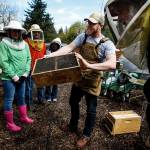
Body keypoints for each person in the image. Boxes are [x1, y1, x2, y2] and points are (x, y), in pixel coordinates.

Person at [45, 12, 117, 148]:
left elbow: (112, 64)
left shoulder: (107, 44)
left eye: (92, 23)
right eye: (88, 22)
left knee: (91, 110)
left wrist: (89, 65)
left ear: (100, 25)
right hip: (79, 78)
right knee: (73, 102)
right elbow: (68, 47)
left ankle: (86, 135)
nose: (88, 25)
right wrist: (50, 56)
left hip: (92, 82)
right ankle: (73, 125)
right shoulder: (83, 37)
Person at [0, 20, 33, 132]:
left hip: (22, 77)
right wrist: (14, 76)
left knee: (21, 97)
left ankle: (23, 117)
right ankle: (10, 123)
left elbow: (29, 59)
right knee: (9, 99)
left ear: (20, 32)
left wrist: (25, 74)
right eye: (13, 30)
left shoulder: (25, 44)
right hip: (9, 78)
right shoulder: (3, 44)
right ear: (9, 31)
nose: (15, 32)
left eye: (17, 31)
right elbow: (3, 62)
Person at [25, 24, 46, 107]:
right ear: (31, 33)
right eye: (35, 32)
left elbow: (43, 54)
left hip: (40, 67)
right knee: (29, 87)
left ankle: (41, 100)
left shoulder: (43, 43)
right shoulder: (26, 42)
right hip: (30, 67)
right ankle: (29, 104)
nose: (36, 34)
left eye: (38, 32)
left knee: (41, 85)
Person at [45, 38, 62, 102]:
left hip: (57, 69)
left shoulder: (60, 52)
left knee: (55, 84)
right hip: (49, 69)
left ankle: (54, 96)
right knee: (48, 84)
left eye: (56, 45)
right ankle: (48, 96)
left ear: (58, 46)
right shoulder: (48, 52)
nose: (54, 46)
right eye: (53, 45)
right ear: (51, 45)